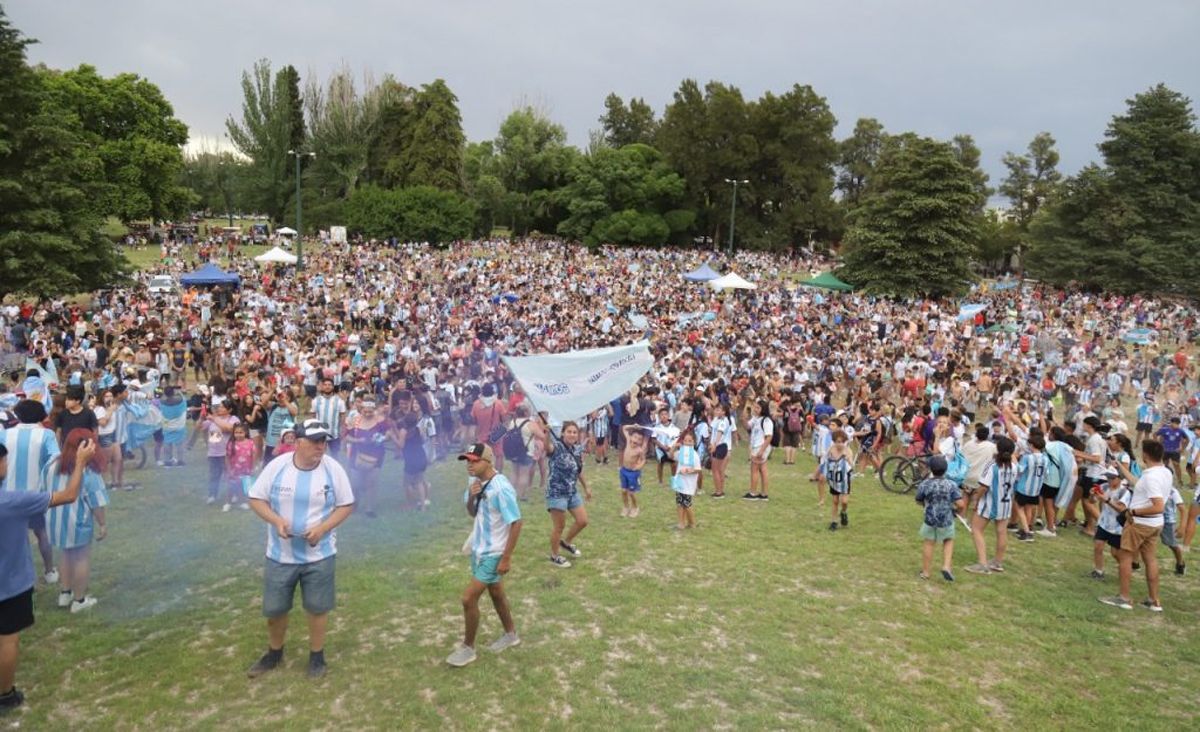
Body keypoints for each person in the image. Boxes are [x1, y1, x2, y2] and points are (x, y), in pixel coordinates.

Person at [246, 419, 355, 679]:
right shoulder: (278, 467)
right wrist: (276, 521)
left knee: (318, 608)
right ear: (297, 441)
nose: (321, 447)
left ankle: (317, 656)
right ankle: (274, 653)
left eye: (324, 441)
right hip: (280, 554)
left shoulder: (333, 469)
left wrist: (323, 528)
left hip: (320, 554)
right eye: (315, 441)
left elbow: (346, 505)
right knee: (275, 610)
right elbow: (256, 498)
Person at [0, 437, 94, 712]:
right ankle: (5, 694)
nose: (6, 463)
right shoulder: (13, 501)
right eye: (3, 460)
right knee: (7, 638)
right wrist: (80, 462)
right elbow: (69, 495)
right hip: (10, 584)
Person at [447, 443, 522, 668]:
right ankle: (511, 635)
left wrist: (506, 557)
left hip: (494, 552)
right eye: (467, 461)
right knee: (497, 593)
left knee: (468, 598)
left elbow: (516, 522)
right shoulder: (475, 482)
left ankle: (468, 648)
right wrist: (471, 497)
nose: (469, 465)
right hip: (479, 548)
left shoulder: (501, 488)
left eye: (474, 461)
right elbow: (473, 512)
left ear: (487, 462)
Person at [43, 429, 109, 613]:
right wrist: (102, 524)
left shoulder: (51, 464)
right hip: (77, 522)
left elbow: (43, 488)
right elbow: (97, 503)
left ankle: (65, 593)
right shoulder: (89, 472)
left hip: (54, 520)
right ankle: (79, 601)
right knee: (81, 557)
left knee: (66, 554)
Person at [1101, 439, 1169, 611]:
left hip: (1140, 524)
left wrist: (1133, 512)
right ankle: (1154, 601)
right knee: (1150, 560)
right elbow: (1138, 484)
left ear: (1145, 455)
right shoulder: (1164, 472)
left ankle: (1124, 598)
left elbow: (1158, 506)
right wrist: (1120, 467)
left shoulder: (1151, 477)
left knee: (1125, 557)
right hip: (1155, 525)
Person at [1, 399, 61, 586]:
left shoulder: (5, 434)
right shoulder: (46, 435)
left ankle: (11, 571)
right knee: (42, 532)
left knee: (9, 535)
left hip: (7, 494)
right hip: (34, 493)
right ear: (41, 415)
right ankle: (49, 571)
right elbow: (55, 460)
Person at [542, 420, 591, 567]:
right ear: (563, 433)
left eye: (574, 432)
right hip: (557, 492)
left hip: (571, 491)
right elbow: (547, 447)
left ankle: (566, 542)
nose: (572, 434)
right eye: (569, 431)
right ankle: (555, 555)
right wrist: (546, 433)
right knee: (559, 526)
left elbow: (578, 470)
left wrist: (586, 487)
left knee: (582, 521)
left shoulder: (576, 449)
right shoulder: (556, 447)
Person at [966, 436, 1017, 575]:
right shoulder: (1014, 466)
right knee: (1001, 532)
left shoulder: (993, 466)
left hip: (990, 503)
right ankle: (997, 562)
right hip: (1005, 503)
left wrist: (976, 500)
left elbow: (983, 487)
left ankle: (982, 564)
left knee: (976, 529)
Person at [914, 455, 965, 582]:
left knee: (929, 543)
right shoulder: (951, 485)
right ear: (946, 469)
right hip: (947, 519)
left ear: (930, 469)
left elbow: (918, 500)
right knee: (948, 540)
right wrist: (956, 511)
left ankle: (926, 572)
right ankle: (946, 566)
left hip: (930, 518)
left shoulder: (925, 484)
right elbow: (961, 504)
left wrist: (925, 505)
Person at [1091, 468, 1130, 580]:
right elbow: (1092, 501)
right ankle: (1099, 571)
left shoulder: (1124, 492)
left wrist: (1107, 500)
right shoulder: (1104, 487)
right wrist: (1092, 494)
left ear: (1120, 479)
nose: (1109, 480)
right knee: (1098, 546)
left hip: (1117, 528)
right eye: (1107, 477)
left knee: (1115, 553)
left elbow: (1122, 509)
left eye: (1112, 478)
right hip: (1103, 523)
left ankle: (1125, 568)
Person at [821, 430, 853, 531]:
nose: (839, 444)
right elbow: (825, 461)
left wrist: (848, 460)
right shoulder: (831, 449)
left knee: (844, 501)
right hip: (834, 478)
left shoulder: (847, 450)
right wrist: (824, 474)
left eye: (841, 442)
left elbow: (852, 465)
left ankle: (843, 512)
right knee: (835, 501)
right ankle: (834, 521)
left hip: (844, 478)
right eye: (837, 442)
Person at [670, 429, 701, 530]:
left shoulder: (695, 455)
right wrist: (674, 447)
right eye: (686, 440)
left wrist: (688, 471)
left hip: (688, 484)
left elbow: (698, 469)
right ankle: (681, 523)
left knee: (687, 504)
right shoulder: (680, 452)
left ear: (694, 442)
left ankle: (692, 523)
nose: (687, 443)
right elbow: (671, 456)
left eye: (690, 441)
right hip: (679, 482)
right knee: (679, 503)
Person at [744, 400, 773, 501]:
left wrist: (761, 450)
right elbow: (747, 426)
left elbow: (769, 437)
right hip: (756, 445)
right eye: (755, 407)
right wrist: (746, 414)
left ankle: (753, 492)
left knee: (755, 469)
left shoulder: (766, 420)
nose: (755, 409)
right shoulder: (756, 418)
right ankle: (764, 493)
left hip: (760, 446)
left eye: (758, 408)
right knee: (762, 469)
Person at [224, 423, 255, 512]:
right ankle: (228, 503)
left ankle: (242, 502)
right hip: (234, 470)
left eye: (241, 432)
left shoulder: (250, 443)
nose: (238, 434)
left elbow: (253, 456)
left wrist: (253, 467)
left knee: (243, 487)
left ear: (245, 432)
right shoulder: (231, 443)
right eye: (236, 432)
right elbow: (227, 457)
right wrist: (229, 469)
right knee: (231, 486)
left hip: (246, 470)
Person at [619, 424, 648, 518]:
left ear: (641, 441)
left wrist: (638, 467)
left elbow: (643, 460)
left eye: (639, 439)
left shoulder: (639, 450)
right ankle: (626, 507)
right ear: (631, 437)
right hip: (624, 470)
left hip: (633, 473)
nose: (636, 440)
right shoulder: (628, 441)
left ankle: (635, 507)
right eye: (635, 437)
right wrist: (633, 426)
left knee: (631, 493)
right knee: (623, 491)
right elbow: (624, 428)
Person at [707, 403, 734, 499]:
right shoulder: (717, 419)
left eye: (719, 410)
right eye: (716, 409)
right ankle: (720, 490)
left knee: (716, 470)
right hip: (718, 446)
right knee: (719, 470)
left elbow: (719, 433)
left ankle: (719, 492)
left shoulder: (723, 421)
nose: (716, 411)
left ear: (724, 412)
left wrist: (714, 444)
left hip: (720, 446)